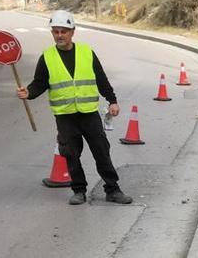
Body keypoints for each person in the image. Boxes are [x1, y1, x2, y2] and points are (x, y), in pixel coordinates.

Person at [17, 10, 133, 206]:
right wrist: (28, 93)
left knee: (101, 151)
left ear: (72, 32)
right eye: (56, 31)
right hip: (65, 116)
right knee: (71, 154)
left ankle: (113, 189)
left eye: (64, 31)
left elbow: (101, 78)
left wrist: (112, 100)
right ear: (52, 33)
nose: (60, 35)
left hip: (89, 113)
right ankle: (79, 191)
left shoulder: (87, 53)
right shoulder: (47, 57)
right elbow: (40, 83)